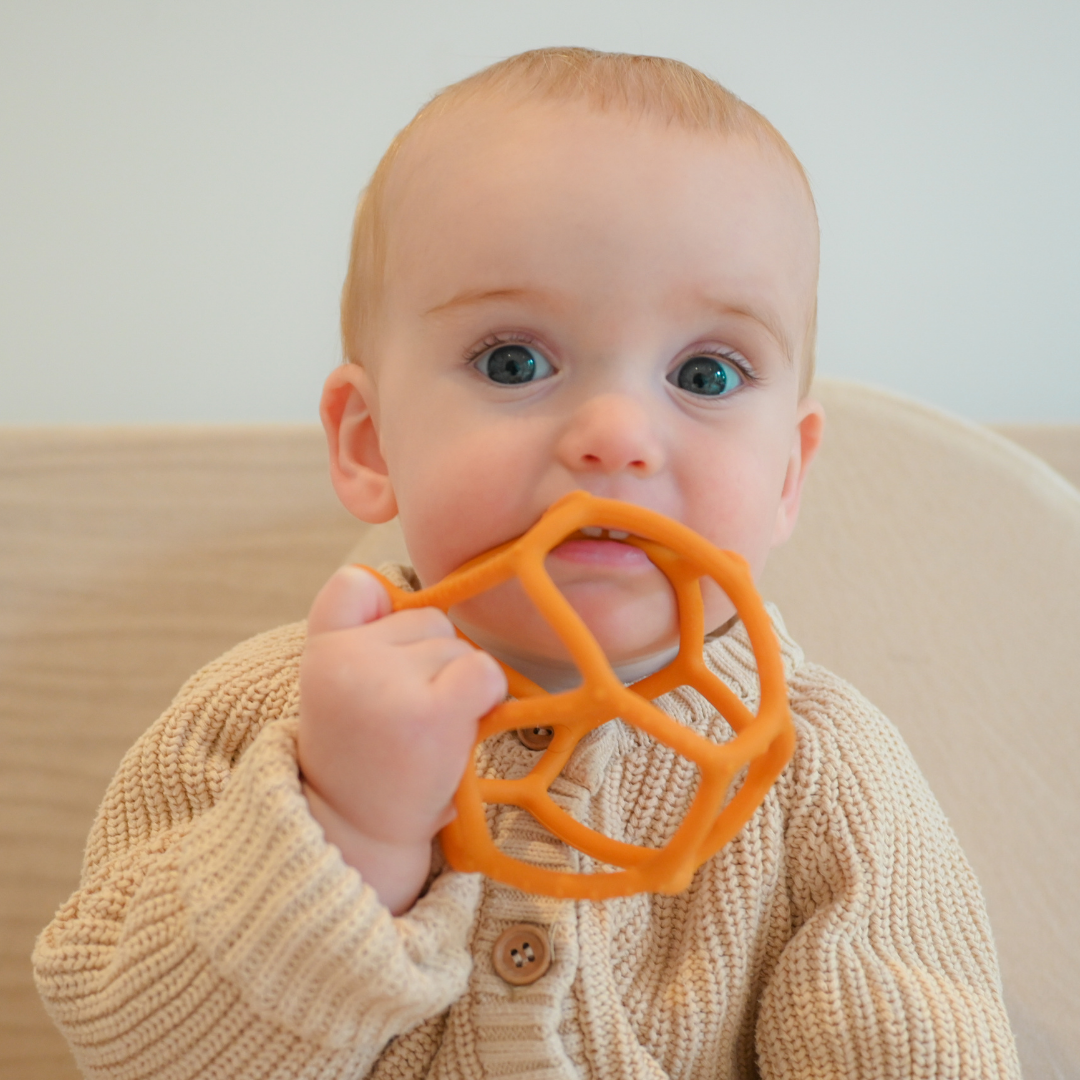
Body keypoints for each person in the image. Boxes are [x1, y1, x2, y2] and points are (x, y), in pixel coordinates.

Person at [33, 48, 1019, 1079]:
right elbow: (134, 1052)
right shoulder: (260, 717)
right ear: (369, 442)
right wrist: (348, 828)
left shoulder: (826, 774)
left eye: (707, 372)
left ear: (787, 476)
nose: (615, 434)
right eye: (515, 361)